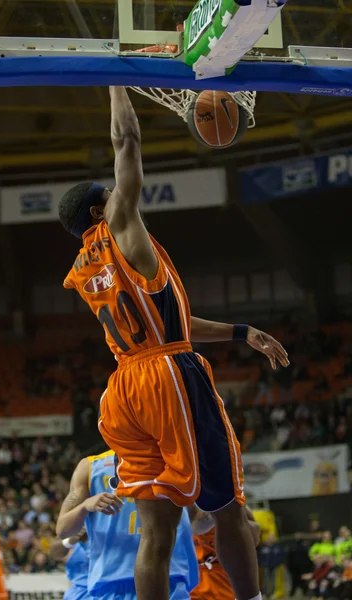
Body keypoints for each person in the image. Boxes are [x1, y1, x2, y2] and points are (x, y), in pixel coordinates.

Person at [59, 85, 289, 600]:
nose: (119, 196)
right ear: (100, 212)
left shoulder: (84, 267)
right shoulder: (121, 228)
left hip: (123, 389)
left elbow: (173, 322)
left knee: (157, 531)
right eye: (109, 195)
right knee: (230, 507)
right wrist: (114, 79)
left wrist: (238, 332)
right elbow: (127, 142)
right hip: (167, 379)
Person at [56, 450, 199, 599]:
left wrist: (220, 508)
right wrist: (85, 506)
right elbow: (63, 529)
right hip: (114, 585)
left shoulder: (176, 457)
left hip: (171, 578)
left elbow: (197, 522)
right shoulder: (90, 467)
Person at [190, 507, 260, 600]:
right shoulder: (180, 502)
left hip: (223, 576)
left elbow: (255, 538)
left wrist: (228, 517)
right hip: (194, 576)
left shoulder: (234, 503)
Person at [49, 529, 89, 600]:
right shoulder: (78, 525)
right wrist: (68, 541)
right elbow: (53, 553)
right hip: (80, 593)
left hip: (110, 588)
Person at [258, 533, 285, 598]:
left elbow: (281, 555)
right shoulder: (264, 546)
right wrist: (262, 563)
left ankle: (272, 593)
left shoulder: (277, 546)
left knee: (273, 580)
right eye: (270, 537)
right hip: (266, 565)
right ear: (267, 538)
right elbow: (260, 556)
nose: (271, 539)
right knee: (265, 580)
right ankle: (264, 593)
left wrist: (278, 563)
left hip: (274, 565)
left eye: (272, 537)